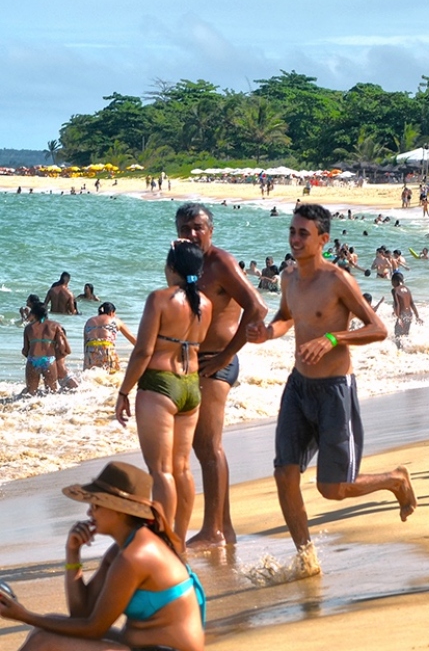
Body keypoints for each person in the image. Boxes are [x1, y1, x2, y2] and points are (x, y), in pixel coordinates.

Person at [247, 204, 415, 566]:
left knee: (334, 489)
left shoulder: (339, 280)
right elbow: (285, 319)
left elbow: (378, 329)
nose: (294, 239)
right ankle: (306, 558)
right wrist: (266, 333)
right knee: (284, 474)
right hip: (298, 388)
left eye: (302, 233)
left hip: (334, 391)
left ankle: (395, 480)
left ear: (323, 239)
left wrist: (334, 339)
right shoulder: (289, 277)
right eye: (292, 231)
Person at [0, 462, 205, 651]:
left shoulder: (135, 557)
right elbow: (81, 615)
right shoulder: (121, 551)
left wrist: (24, 616)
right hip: (143, 646)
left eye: (96, 505)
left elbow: (94, 628)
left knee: (43, 641)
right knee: (47, 628)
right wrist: (72, 553)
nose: (90, 513)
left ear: (120, 511)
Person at [175, 202, 268, 552]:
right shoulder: (187, 266)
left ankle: (214, 530)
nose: (192, 233)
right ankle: (222, 528)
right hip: (195, 363)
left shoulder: (220, 263)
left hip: (217, 362)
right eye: (185, 228)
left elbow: (258, 307)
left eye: (198, 227)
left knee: (208, 446)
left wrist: (228, 355)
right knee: (200, 448)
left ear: (211, 230)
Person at [114, 241, 213, 541]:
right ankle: (179, 539)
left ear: (171, 268)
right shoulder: (206, 304)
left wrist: (124, 391)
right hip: (190, 387)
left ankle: (163, 539)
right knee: (182, 469)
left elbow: (143, 351)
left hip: (160, 384)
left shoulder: (159, 298)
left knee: (160, 471)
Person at [23, 302, 69, 395]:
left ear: (34, 314)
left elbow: (25, 351)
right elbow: (62, 347)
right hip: (49, 360)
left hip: (32, 360)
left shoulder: (28, 328)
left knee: (31, 393)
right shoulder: (55, 326)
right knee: (52, 392)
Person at [83, 303, 136, 373]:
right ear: (111, 312)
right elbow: (132, 338)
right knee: (112, 375)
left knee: (90, 376)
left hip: (90, 348)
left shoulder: (89, 321)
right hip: (106, 347)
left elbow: (85, 343)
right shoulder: (114, 320)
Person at [391, 272, 420, 344]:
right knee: (406, 335)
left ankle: (399, 353)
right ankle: (408, 351)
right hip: (409, 315)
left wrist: (398, 317)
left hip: (402, 315)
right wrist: (417, 316)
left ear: (395, 281)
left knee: (397, 335)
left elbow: (397, 304)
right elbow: (412, 304)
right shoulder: (407, 289)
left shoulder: (395, 290)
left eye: (391, 282)